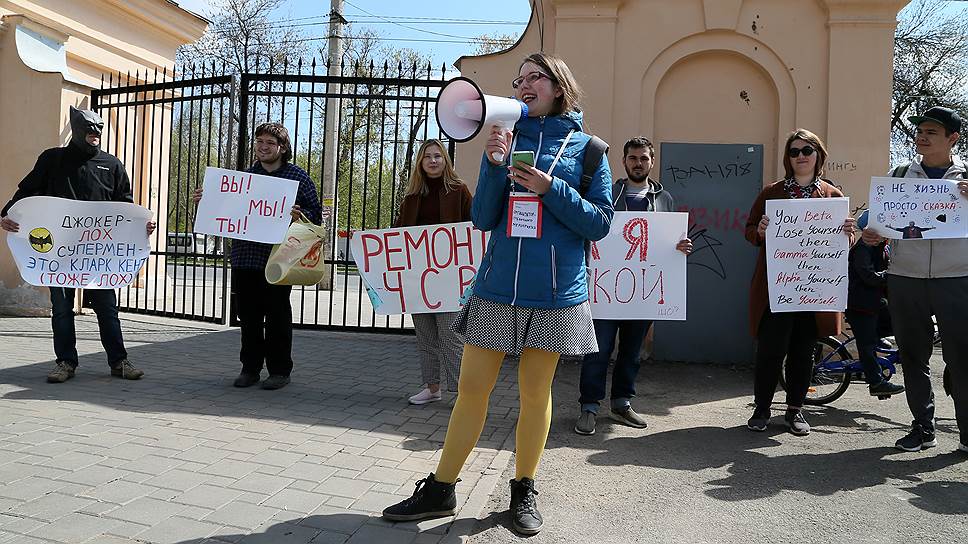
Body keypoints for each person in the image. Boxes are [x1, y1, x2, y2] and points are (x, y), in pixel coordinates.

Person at [382, 53, 614, 535]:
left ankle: (524, 489)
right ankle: (442, 488)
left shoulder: (591, 150)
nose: (525, 85)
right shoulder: (505, 140)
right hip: (496, 289)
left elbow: (600, 223)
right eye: (519, 79)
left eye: (535, 77)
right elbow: (484, 217)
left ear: (558, 85)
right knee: (471, 390)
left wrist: (552, 189)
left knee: (535, 394)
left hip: (556, 296)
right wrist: (492, 164)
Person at [0, 106, 155, 383]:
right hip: (61, 253)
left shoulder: (112, 165)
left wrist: (140, 227)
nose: (94, 133)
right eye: (89, 128)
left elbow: (125, 206)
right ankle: (65, 363)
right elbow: (28, 190)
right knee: (61, 308)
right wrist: (8, 214)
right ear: (76, 128)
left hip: (101, 255)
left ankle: (119, 361)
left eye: (98, 129)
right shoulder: (52, 159)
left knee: (107, 307)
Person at [574, 136, 693, 435]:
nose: (638, 163)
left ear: (652, 161)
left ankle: (621, 403)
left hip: (643, 293)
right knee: (597, 351)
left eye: (643, 158)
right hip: (606, 291)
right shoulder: (607, 194)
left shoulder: (665, 200)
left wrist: (681, 247)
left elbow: (666, 242)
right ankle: (589, 406)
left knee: (631, 352)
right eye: (632, 158)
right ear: (624, 161)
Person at [867, 106, 968, 453]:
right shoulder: (897, 176)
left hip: (957, 279)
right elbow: (875, 223)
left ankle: (967, 434)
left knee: (962, 358)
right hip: (905, 277)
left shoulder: (966, 179)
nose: (921, 137)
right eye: (920, 131)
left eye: (931, 132)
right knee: (912, 356)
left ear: (953, 139)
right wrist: (871, 234)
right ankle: (923, 429)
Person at [193, 122, 321, 390]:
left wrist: (299, 214)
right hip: (245, 256)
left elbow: (315, 214)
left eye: (270, 143)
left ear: (282, 148)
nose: (263, 147)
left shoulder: (297, 177)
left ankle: (279, 371)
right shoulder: (245, 178)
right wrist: (208, 200)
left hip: (278, 260)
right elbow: (225, 209)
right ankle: (250, 368)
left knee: (277, 316)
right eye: (259, 141)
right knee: (248, 316)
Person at [744, 128, 855, 436]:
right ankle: (762, 408)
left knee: (803, 352)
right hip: (776, 288)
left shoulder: (832, 196)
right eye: (794, 151)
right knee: (770, 351)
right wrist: (761, 232)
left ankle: (795, 410)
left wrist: (848, 233)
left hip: (812, 290)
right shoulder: (772, 192)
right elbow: (749, 229)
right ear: (787, 158)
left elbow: (842, 246)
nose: (801, 156)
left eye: (807, 150)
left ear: (818, 155)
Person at [393, 139, 472, 405]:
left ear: (445, 161)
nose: (433, 160)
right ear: (420, 162)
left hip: (449, 278)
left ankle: (463, 393)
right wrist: (367, 240)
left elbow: (473, 228)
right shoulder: (412, 197)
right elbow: (396, 233)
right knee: (426, 336)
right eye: (428, 157)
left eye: (438, 156)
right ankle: (432, 387)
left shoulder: (459, 191)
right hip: (419, 278)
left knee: (451, 336)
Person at [846, 210, 905, 397]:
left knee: (901, 324)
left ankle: (893, 350)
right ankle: (876, 382)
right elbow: (869, 277)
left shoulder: (881, 247)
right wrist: (892, 274)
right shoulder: (863, 249)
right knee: (867, 345)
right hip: (860, 305)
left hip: (875, 303)